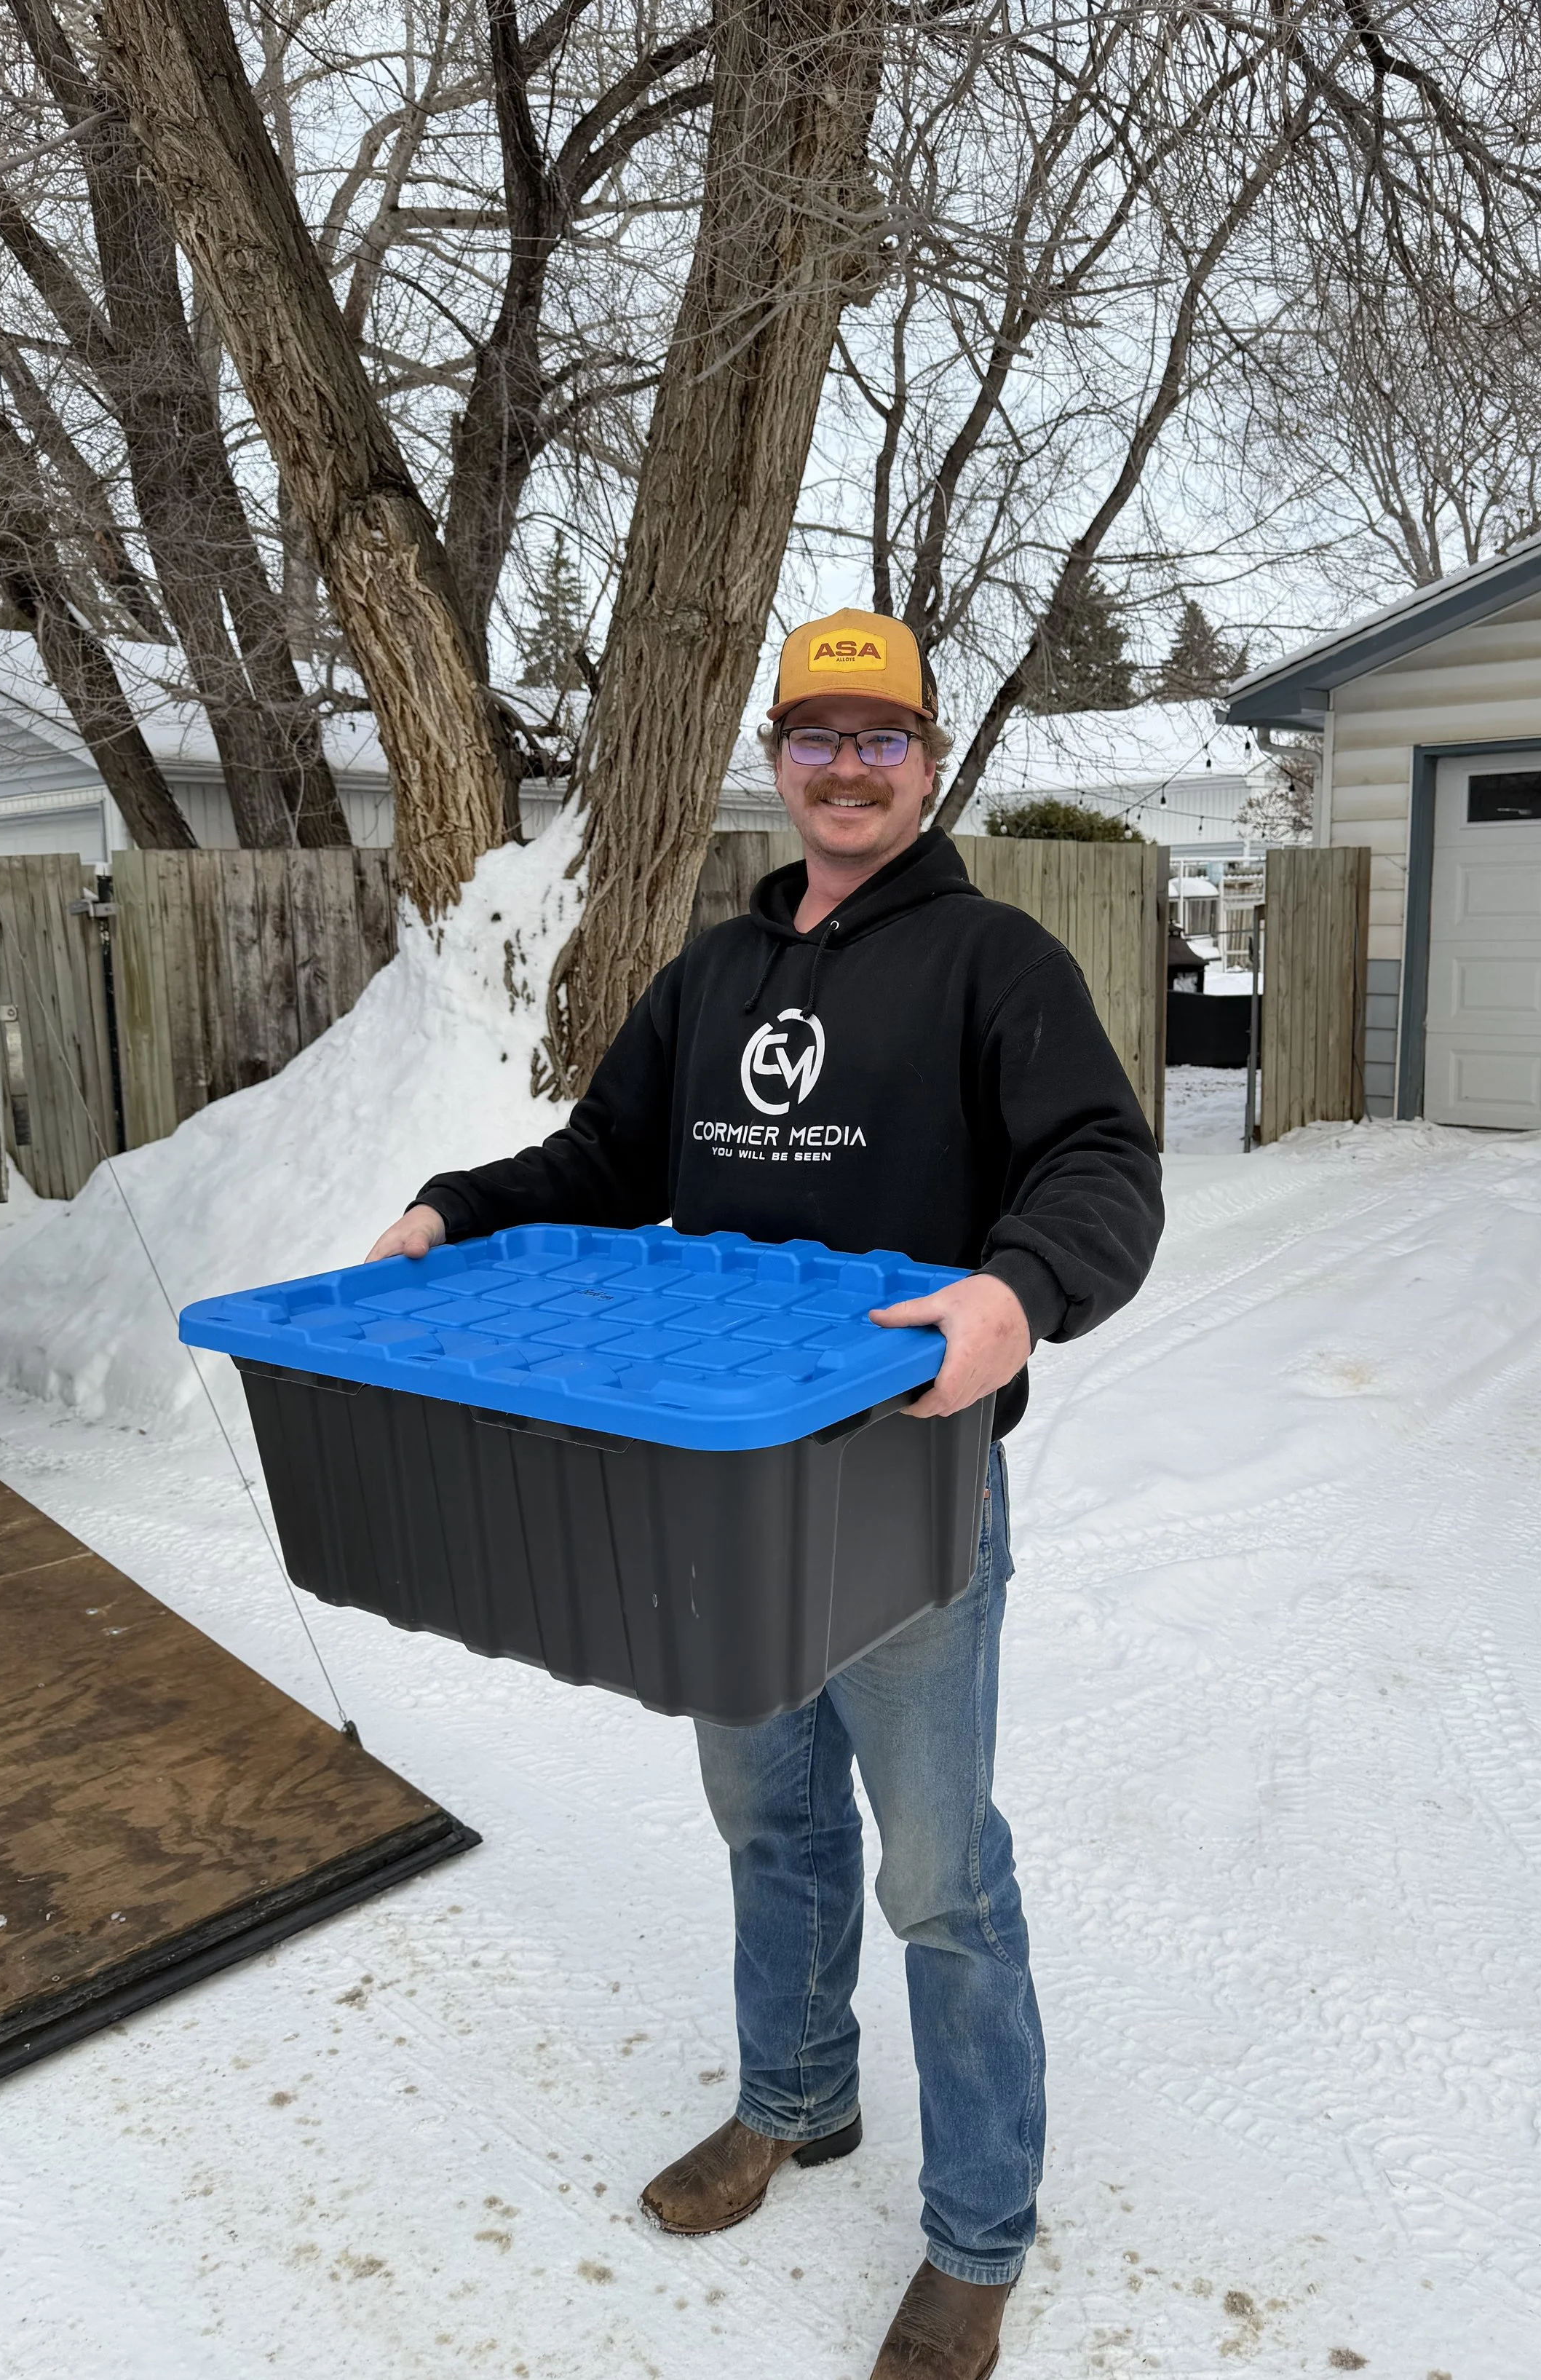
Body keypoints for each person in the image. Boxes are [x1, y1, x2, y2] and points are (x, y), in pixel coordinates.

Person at [368, 607, 1163, 2379]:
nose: (846, 767)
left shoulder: (993, 962)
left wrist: (1016, 1290)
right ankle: (796, 2096)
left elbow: (1101, 1164)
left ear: (926, 760)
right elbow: (606, 1153)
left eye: (881, 737)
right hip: (723, 1491)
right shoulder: (715, 975)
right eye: (816, 735)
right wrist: (456, 1208)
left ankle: (977, 2232)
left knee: (939, 1871)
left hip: (904, 1486)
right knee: (766, 1814)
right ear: (779, 758)